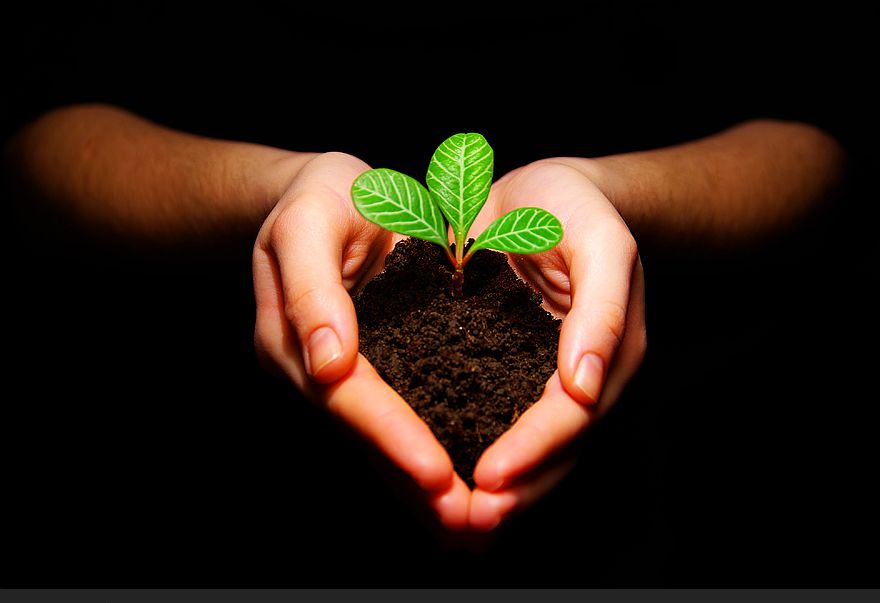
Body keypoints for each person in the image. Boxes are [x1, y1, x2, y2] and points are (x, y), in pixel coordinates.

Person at [5, 104, 845, 535]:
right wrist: (279, 186)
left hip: (670, 478)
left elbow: (826, 154)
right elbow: (32, 147)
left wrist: (611, 192)